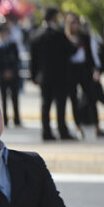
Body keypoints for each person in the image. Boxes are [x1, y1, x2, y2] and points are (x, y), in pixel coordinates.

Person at [30, 8, 75, 140]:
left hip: (44, 77)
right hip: (60, 76)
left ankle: (46, 131)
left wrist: (33, 76)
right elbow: (71, 50)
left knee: (46, 104)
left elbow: (33, 59)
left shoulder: (36, 34)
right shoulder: (59, 34)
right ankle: (62, 131)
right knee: (61, 104)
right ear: (54, 18)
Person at [0, 22, 22, 127]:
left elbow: (17, 60)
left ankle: (17, 119)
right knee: (3, 98)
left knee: (15, 97)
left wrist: (12, 71)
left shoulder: (12, 45)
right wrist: (3, 72)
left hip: (13, 75)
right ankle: (5, 119)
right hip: (2, 76)